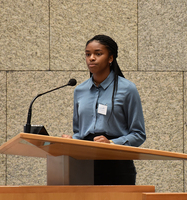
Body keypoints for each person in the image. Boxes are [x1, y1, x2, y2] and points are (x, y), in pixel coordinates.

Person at [62, 34, 146, 185]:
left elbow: (139, 134)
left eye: (98, 54)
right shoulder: (80, 90)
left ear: (110, 58)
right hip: (83, 164)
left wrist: (112, 144)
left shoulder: (127, 89)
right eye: (88, 54)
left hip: (116, 164)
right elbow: (78, 132)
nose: (91, 58)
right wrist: (71, 141)